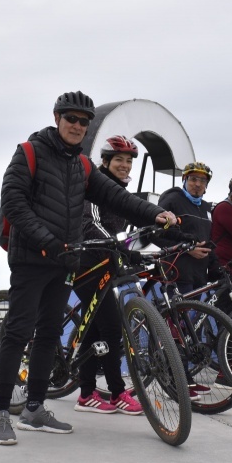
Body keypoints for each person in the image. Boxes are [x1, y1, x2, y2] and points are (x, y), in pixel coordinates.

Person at [0, 92, 176, 446]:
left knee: (46, 336)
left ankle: (35, 409)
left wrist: (156, 214)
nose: (76, 125)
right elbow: (13, 202)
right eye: (71, 118)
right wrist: (47, 240)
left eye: (83, 121)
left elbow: (119, 197)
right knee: (18, 332)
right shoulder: (29, 152)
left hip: (64, 260)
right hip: (31, 257)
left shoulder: (82, 166)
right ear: (57, 117)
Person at [72, 136, 144, 416]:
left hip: (106, 265)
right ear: (105, 162)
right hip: (86, 264)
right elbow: (91, 224)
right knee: (112, 328)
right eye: (119, 160)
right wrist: (118, 247)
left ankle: (87, 392)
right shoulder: (95, 188)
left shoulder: (122, 193)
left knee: (97, 329)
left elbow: (139, 223)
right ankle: (116, 393)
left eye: (128, 161)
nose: (125, 165)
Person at [157, 161, 218, 294]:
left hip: (199, 276)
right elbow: (157, 235)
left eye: (203, 180)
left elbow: (207, 237)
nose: (198, 184)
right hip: (177, 273)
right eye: (193, 179)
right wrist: (187, 249)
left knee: (196, 315)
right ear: (184, 179)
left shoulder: (206, 208)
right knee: (177, 315)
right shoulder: (172, 200)